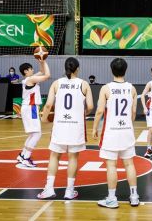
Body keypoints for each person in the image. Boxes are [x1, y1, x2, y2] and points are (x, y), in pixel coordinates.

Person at [37, 57, 94, 200]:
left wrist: (44, 119)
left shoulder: (56, 83)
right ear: (77, 68)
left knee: (54, 156)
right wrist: (83, 114)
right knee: (73, 158)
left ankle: (49, 188)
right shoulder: (84, 84)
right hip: (76, 126)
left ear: (65, 68)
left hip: (60, 125)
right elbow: (91, 106)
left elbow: (48, 105)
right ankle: (69, 191)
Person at [92, 58, 140, 208]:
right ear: (125, 70)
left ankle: (112, 199)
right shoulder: (132, 88)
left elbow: (100, 111)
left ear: (111, 70)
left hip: (111, 132)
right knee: (129, 164)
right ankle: (134, 196)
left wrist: (94, 128)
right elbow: (133, 113)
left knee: (111, 166)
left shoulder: (106, 88)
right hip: (126, 131)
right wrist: (127, 126)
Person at [16, 58, 50, 167]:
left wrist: (42, 61)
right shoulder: (31, 79)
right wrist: (44, 62)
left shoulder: (28, 79)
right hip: (31, 108)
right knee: (37, 134)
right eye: (31, 69)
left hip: (28, 108)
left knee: (32, 134)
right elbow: (47, 75)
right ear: (26, 71)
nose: (32, 70)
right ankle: (26, 158)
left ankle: (22, 155)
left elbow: (42, 71)